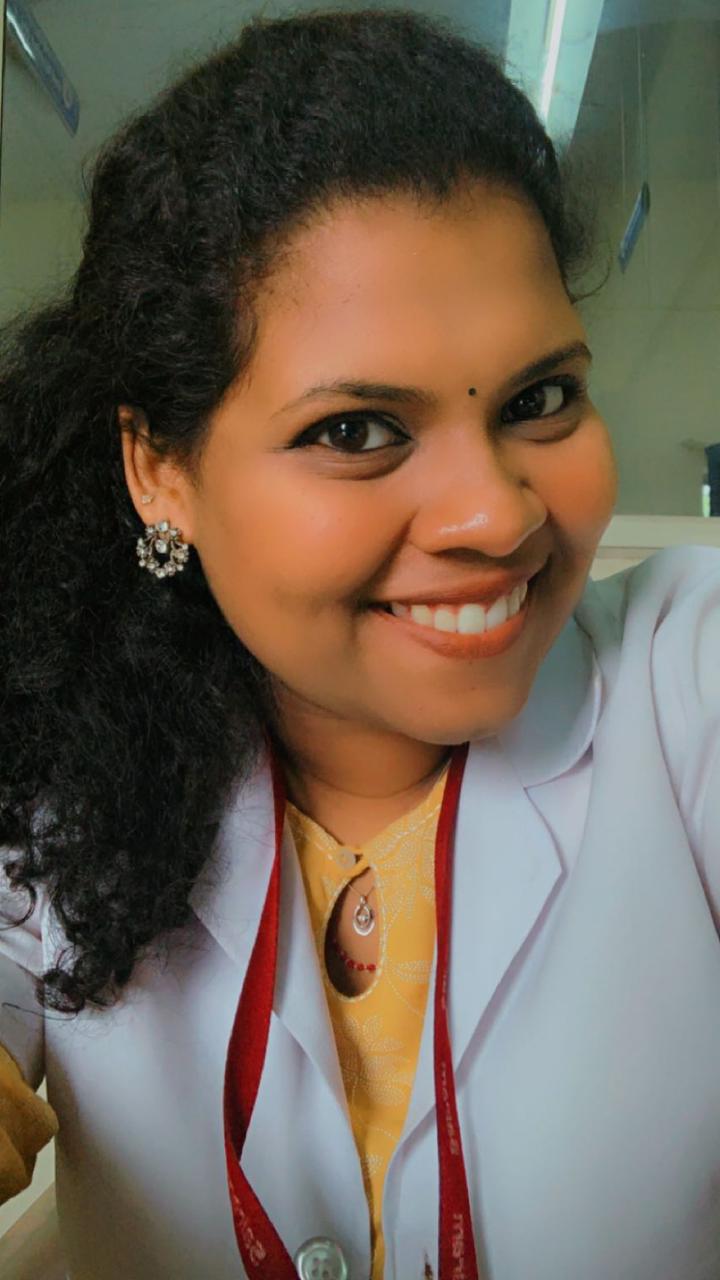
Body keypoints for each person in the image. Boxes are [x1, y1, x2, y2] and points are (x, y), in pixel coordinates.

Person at [0, 7, 719, 1279]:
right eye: (354, 431)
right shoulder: (50, 761)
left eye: (541, 398)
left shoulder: (689, 678)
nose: (496, 514)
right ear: (159, 470)